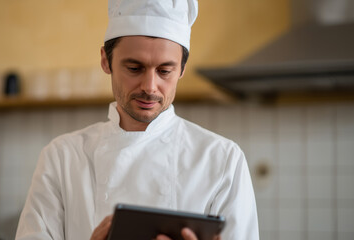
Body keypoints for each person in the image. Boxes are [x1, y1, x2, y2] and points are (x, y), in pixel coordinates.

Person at [16, 0, 259, 239]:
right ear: (105, 60)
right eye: (134, 68)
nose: (150, 87)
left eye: (165, 71)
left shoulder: (222, 160)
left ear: (182, 68)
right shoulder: (62, 158)